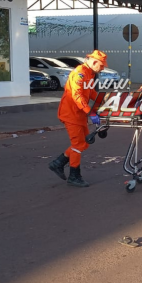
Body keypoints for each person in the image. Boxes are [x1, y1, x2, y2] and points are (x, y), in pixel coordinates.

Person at [48, 50, 107, 187]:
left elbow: (91, 92)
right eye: (101, 66)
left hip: (78, 114)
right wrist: (90, 112)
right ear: (93, 62)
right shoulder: (79, 73)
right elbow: (77, 96)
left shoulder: (89, 73)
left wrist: (103, 100)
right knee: (78, 145)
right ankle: (74, 176)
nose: (102, 68)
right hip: (71, 114)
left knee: (84, 143)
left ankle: (58, 163)